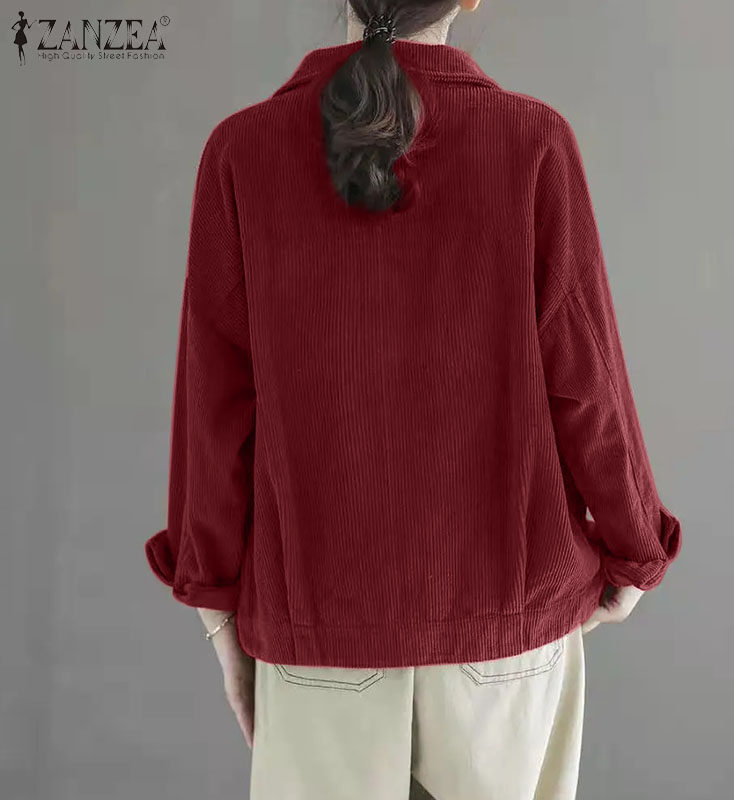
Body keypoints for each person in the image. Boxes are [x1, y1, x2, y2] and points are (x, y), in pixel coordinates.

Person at [144, 1, 682, 798]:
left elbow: (214, 412)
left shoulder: (241, 152)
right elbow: (587, 380)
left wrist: (218, 610)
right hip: (506, 630)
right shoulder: (532, 142)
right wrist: (636, 549)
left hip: (319, 631)